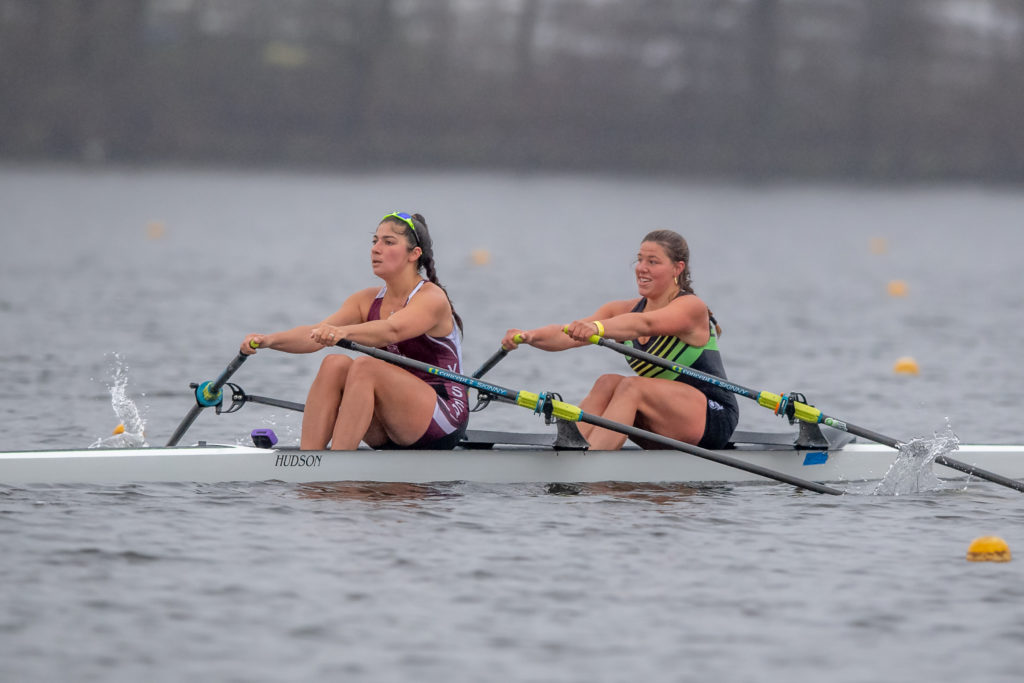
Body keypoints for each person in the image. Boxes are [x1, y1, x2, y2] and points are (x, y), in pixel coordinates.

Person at [241, 212, 468, 451]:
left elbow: (392, 330)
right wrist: (268, 340)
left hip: (443, 416)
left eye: (388, 242)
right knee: (334, 364)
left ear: (414, 254)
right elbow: (313, 335)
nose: (376, 249)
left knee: (365, 367)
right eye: (375, 241)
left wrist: (343, 333)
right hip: (392, 418)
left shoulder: (431, 298)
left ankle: (339, 461)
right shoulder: (365, 300)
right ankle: (309, 459)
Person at [500, 229, 738, 450]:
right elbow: (566, 335)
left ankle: (591, 462)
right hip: (664, 416)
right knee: (607, 382)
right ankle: (571, 450)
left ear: (677, 268)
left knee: (631, 387)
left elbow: (645, 324)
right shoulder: (621, 310)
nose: (641, 268)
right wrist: (529, 336)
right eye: (640, 260)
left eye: (653, 262)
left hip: (713, 416)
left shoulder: (691, 307)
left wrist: (597, 328)